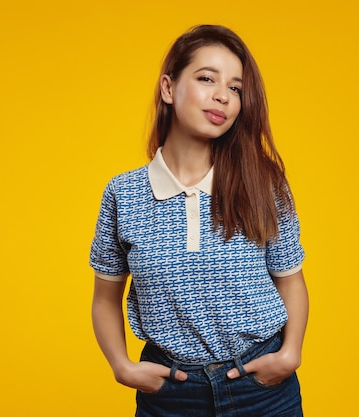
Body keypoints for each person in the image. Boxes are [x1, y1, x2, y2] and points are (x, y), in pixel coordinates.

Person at [90, 24, 309, 417]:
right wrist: (121, 367)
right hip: (171, 395)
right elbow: (105, 298)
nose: (222, 96)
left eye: (236, 88)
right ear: (168, 88)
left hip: (262, 391)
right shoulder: (124, 193)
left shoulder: (264, 184)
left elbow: (290, 279)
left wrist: (290, 354)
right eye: (207, 78)